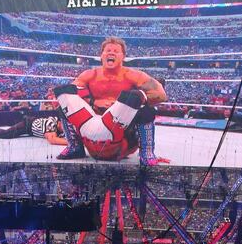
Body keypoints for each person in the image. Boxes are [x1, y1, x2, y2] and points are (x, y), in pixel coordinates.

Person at [54, 37, 169, 166]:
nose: (111, 53)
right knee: (64, 107)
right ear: (101, 55)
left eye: (116, 51)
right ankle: (74, 147)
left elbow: (161, 95)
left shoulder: (135, 76)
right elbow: (70, 96)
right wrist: (93, 102)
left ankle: (147, 153)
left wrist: (127, 103)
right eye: (108, 50)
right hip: (92, 127)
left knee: (147, 111)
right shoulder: (89, 75)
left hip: (123, 132)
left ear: (123, 56)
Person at [0, 113, 68, 146]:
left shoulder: (61, 129)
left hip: (33, 128)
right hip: (27, 125)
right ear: (61, 122)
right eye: (66, 126)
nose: (67, 129)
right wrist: (72, 143)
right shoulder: (51, 123)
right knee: (6, 135)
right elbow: (52, 140)